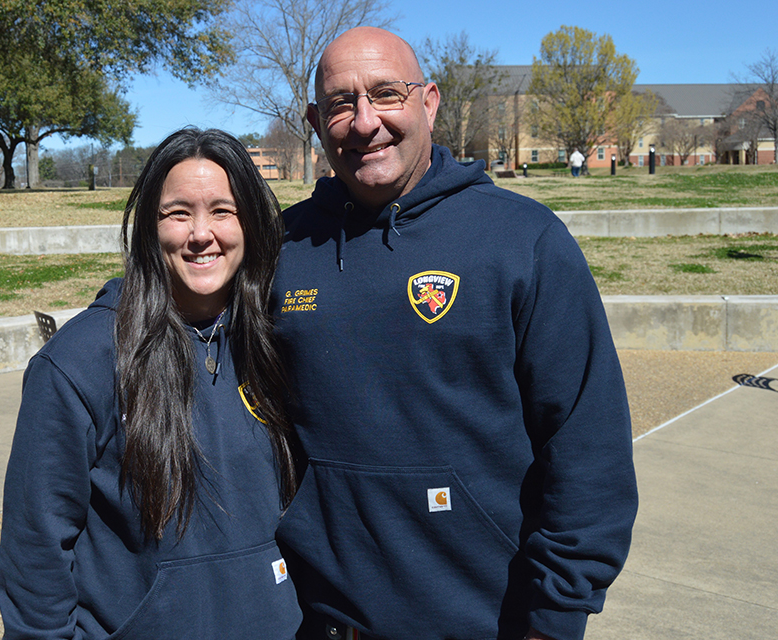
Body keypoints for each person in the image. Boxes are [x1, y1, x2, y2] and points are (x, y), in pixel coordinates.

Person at [271, 27, 637, 640]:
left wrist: (555, 615)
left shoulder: (523, 241)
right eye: (340, 103)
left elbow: (587, 448)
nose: (365, 122)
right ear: (314, 120)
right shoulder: (283, 248)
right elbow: (182, 279)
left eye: (386, 94)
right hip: (322, 623)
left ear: (429, 102)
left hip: (489, 620)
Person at [0, 127, 302, 639]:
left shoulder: (277, 340)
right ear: (148, 228)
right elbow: (36, 553)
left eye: (223, 211)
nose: (200, 233)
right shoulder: (80, 361)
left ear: (250, 222)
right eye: (177, 213)